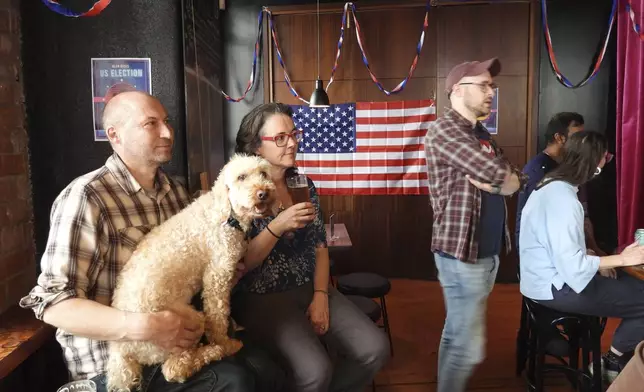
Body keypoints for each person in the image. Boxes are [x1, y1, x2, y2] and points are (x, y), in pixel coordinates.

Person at [18, 91, 273, 392]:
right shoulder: (87, 197)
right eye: (150, 123)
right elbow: (53, 306)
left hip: (178, 339)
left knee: (267, 368)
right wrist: (147, 327)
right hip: (114, 364)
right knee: (236, 382)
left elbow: (195, 269)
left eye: (166, 122)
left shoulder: (175, 192)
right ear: (114, 135)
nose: (167, 132)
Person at [231, 102, 390, 392]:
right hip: (260, 297)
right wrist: (277, 227)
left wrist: (320, 295)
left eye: (294, 134)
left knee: (375, 349)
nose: (292, 143)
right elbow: (240, 264)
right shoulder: (238, 190)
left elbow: (319, 246)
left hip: (309, 285)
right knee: (315, 371)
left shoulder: (302, 183)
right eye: (280, 138)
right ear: (255, 147)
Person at [424, 58, 524, 392]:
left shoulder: (479, 133)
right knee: (469, 348)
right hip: (461, 254)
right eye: (483, 85)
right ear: (456, 90)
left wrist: (502, 183)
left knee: (456, 333)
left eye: (491, 86)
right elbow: (496, 172)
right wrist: (501, 181)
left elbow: (516, 178)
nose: (491, 92)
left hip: (486, 252)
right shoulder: (445, 129)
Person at [519, 131, 644, 383]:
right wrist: (620, 259)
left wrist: (596, 260)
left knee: (634, 285)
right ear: (594, 161)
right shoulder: (563, 198)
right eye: (605, 157)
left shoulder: (553, 186)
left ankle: (615, 358)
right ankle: (612, 362)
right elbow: (573, 268)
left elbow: (559, 247)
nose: (605, 163)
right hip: (555, 287)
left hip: (546, 278)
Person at [515, 112, 607, 257]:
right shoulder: (538, 171)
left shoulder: (572, 169)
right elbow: (545, 229)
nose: (581, 143)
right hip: (544, 258)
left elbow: (584, 216)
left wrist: (594, 249)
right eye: (576, 137)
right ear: (559, 138)